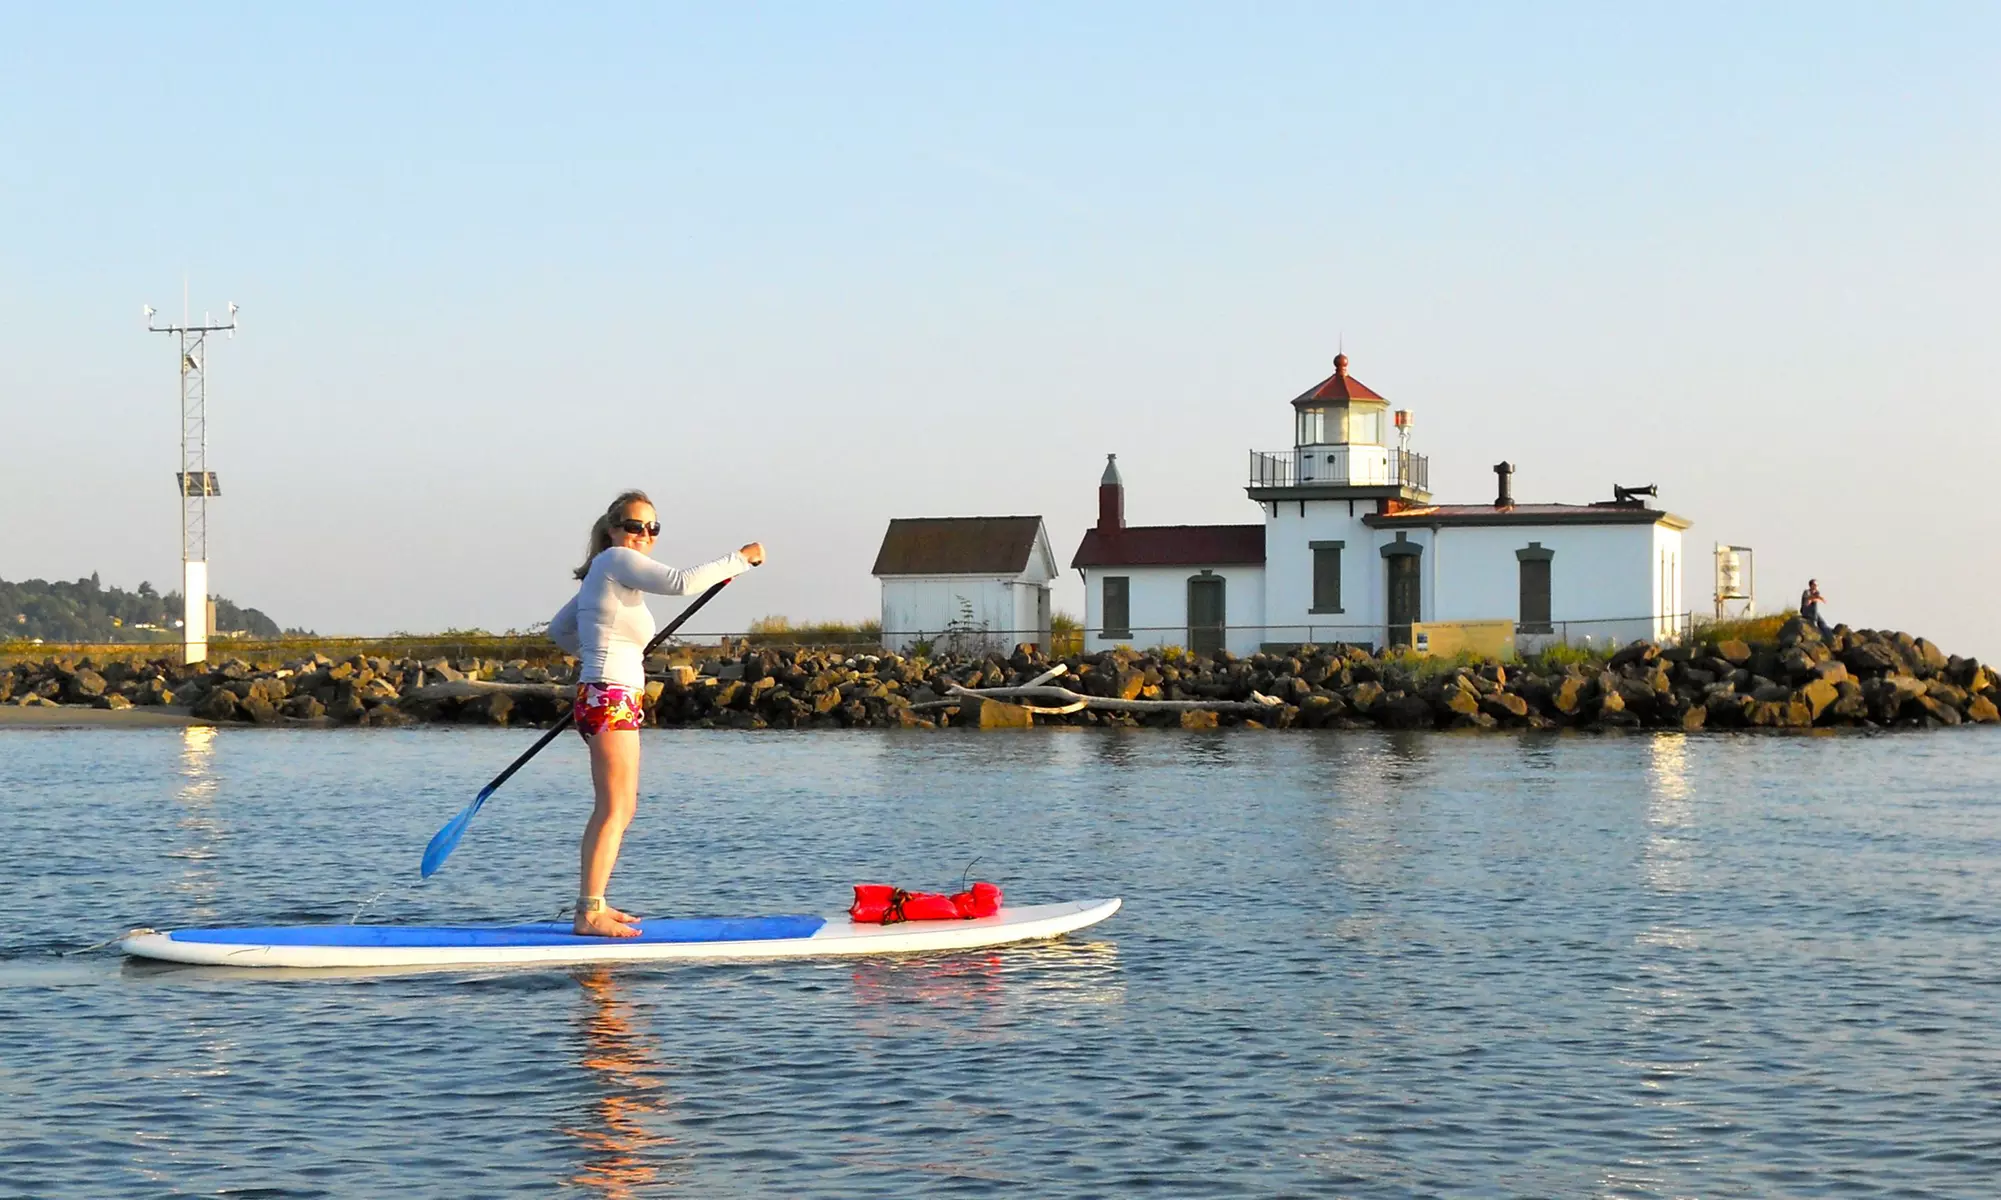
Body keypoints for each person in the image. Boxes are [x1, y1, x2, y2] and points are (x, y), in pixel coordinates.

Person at [548, 490, 764, 937]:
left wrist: (604, 655)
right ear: (613, 530)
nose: (644, 535)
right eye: (634, 526)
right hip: (608, 695)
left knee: (621, 807)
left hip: (607, 692)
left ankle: (595, 904)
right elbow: (683, 582)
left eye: (653, 528)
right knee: (614, 808)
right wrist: (740, 559)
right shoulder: (613, 561)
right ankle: (588, 912)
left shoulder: (604, 575)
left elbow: (559, 631)